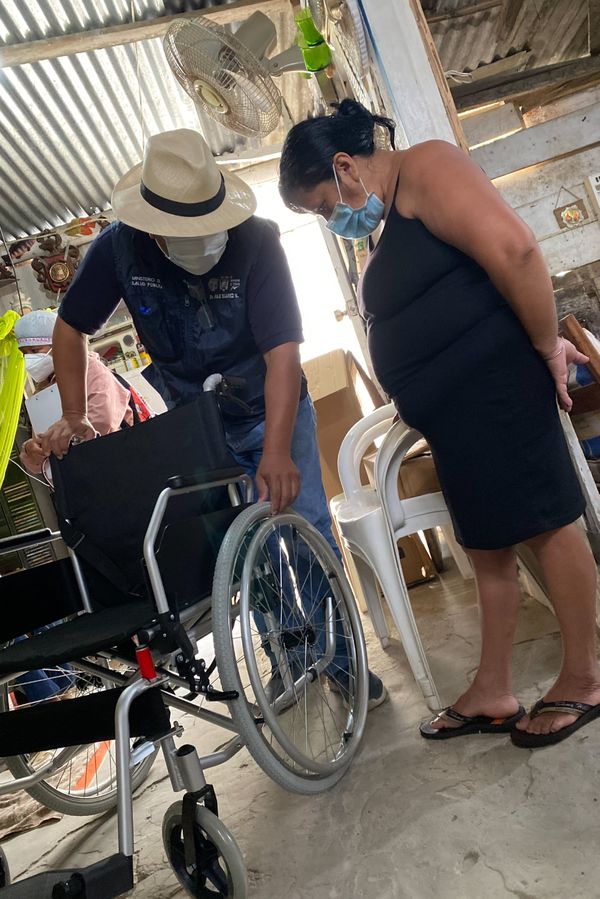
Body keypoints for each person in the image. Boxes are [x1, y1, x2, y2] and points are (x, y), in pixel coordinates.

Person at [278, 99, 600, 749]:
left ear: (345, 167)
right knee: (486, 545)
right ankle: (493, 688)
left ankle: (586, 677)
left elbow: (516, 250)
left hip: (497, 388)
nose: (331, 219)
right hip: (459, 415)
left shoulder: (427, 168)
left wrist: (546, 346)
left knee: (548, 523)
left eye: (323, 205)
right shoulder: (390, 216)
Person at [39, 129, 387, 711]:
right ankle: (289, 658)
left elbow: (282, 355)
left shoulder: (257, 242)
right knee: (240, 546)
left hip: (273, 406)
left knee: (302, 530)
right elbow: (70, 326)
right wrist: (74, 416)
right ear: (154, 228)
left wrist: (276, 450)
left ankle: (343, 662)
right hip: (196, 425)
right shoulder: (119, 249)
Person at [16, 309, 147, 476]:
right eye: (24, 353)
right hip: (82, 476)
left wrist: (55, 443)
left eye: (35, 350)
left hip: (118, 465)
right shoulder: (42, 390)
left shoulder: (91, 370)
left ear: (59, 344)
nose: (29, 358)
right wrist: (30, 449)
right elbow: (40, 456)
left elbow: (103, 424)